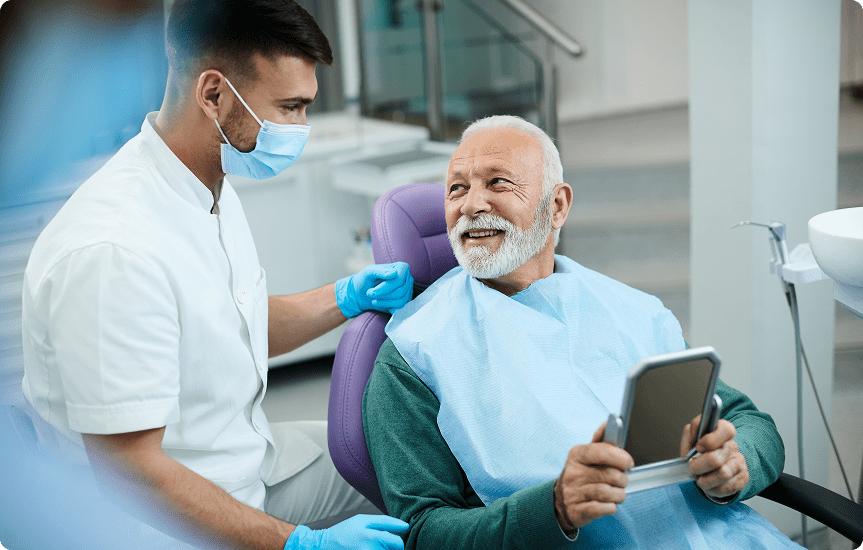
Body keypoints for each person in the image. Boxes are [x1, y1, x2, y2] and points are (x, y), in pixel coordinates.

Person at [20, 1, 411, 549]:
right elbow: (131, 472)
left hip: (244, 466)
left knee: (407, 456)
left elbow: (231, 324)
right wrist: (299, 544)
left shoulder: (205, 183)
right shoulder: (114, 250)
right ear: (213, 95)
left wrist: (345, 297)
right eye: (290, 107)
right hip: (163, 526)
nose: (301, 129)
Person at [363, 115, 802, 549]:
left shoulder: (631, 309)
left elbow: (749, 421)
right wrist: (553, 507)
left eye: (497, 183)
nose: (471, 204)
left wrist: (738, 461)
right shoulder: (414, 354)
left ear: (556, 206)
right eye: (457, 187)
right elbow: (421, 534)